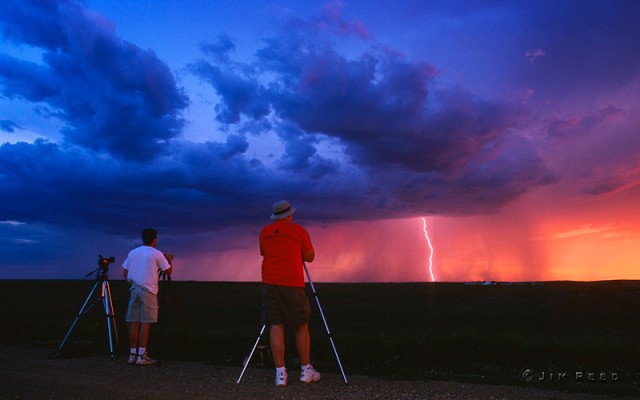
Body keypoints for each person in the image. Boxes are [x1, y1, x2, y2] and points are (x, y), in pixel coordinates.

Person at [259, 200, 321, 387]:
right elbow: (310, 256)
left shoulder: (264, 232)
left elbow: (264, 252)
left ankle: (280, 375)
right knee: (301, 324)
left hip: (269, 282)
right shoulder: (299, 231)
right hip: (292, 283)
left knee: (275, 325)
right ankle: (306, 370)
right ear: (289, 215)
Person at [122, 228, 173, 365]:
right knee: (146, 322)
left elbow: (125, 273)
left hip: (134, 289)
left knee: (134, 321)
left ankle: (132, 354)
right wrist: (168, 259)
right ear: (155, 239)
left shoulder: (133, 253)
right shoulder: (156, 254)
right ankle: (142, 355)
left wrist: (134, 281)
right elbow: (168, 271)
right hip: (149, 290)